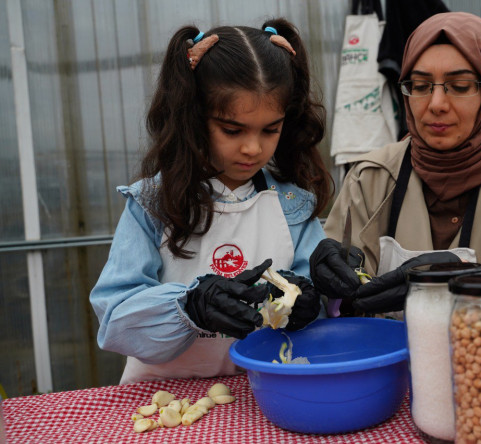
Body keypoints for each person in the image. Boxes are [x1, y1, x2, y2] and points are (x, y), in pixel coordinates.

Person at [90, 18, 333, 384]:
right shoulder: (153, 204)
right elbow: (115, 320)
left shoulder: (292, 206)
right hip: (161, 400)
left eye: (271, 129)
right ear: (193, 119)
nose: (253, 148)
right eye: (232, 130)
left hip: (261, 398)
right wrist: (189, 305)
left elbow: (320, 309)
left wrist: (309, 306)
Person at [310, 12, 481, 318]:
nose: (436, 104)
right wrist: (323, 284)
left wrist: (455, 285)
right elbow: (336, 308)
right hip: (386, 363)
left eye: (459, 86)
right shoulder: (370, 178)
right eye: (420, 86)